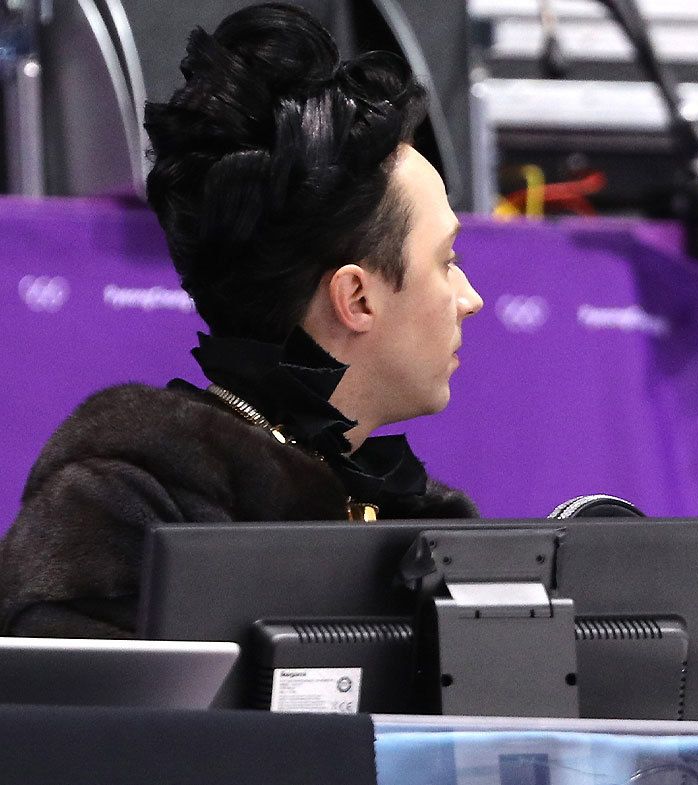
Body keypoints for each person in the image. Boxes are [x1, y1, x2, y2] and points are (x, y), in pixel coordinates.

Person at [0, 3, 484, 637]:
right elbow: (75, 727)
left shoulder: (426, 528)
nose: (469, 297)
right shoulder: (127, 505)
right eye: (445, 261)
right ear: (357, 298)